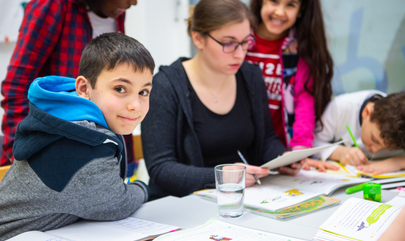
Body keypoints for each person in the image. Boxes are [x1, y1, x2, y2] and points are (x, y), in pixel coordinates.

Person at [0, 33, 153, 241]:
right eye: (120, 89)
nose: (135, 105)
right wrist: (143, 187)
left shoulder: (71, 122)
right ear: (84, 89)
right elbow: (116, 204)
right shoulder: (84, 141)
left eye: (144, 92)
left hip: (43, 240)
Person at [141, 0, 305, 201]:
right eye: (228, 43)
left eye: (245, 42)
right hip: (182, 205)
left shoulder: (251, 77)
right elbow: (161, 169)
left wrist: (283, 159)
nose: (240, 53)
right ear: (198, 39)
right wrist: (223, 176)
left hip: (242, 200)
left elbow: (267, 140)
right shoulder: (165, 86)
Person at [0, 0, 137, 173]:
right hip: (54, 157)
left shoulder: (115, 10)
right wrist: (21, 157)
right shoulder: (53, 4)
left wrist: (125, 157)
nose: (133, 3)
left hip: (102, 154)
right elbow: (16, 87)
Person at [246, 0, 337, 172]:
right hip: (240, 149)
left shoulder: (301, 49)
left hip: (279, 155)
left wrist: (300, 149)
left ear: (301, 11)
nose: (280, 12)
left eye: (290, 5)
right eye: (274, 1)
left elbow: (304, 102)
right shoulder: (240, 41)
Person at [313, 90, 405, 174]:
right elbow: (313, 144)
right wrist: (339, 152)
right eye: (374, 139)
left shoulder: (401, 123)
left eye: (387, 148)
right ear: (366, 112)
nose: (375, 150)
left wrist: (398, 162)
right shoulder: (340, 108)